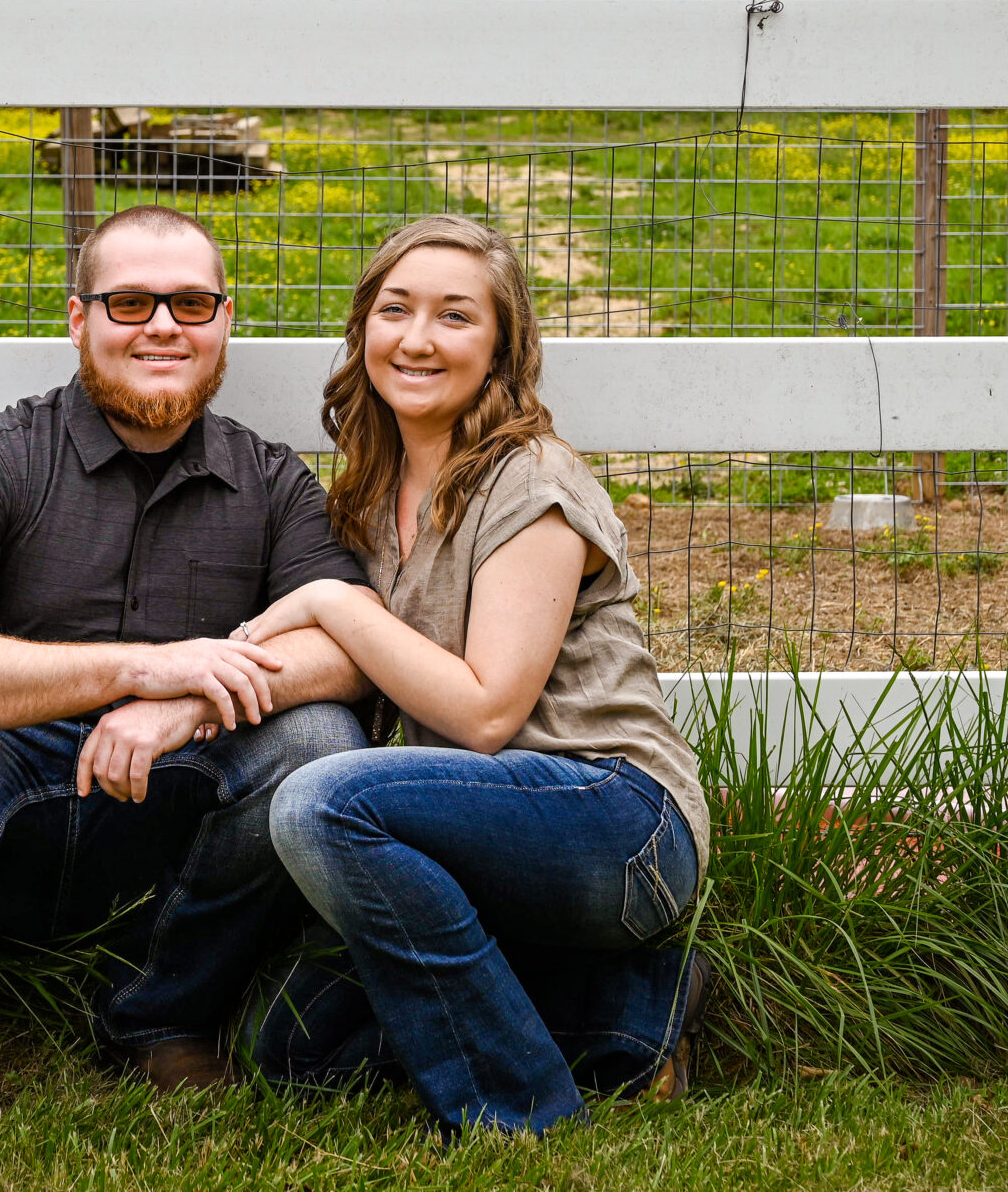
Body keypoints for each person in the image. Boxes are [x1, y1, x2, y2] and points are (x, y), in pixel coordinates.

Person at [0, 204, 374, 1118]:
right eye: (129, 302)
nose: (162, 325)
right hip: (1, 774)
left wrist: (179, 707)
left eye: (192, 303)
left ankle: (164, 1013)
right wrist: (137, 670)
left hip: (179, 792)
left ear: (225, 320)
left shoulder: (273, 481)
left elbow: (346, 649)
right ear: (80, 320)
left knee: (320, 740)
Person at [232, 214, 713, 1136]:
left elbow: (488, 712)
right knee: (295, 1049)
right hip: (479, 828)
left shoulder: (533, 480)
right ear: (363, 327)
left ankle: (521, 1112)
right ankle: (637, 1010)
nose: (416, 338)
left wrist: (339, 607)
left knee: (321, 803)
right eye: (395, 309)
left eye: (455, 316)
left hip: (616, 818)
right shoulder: (371, 490)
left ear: (500, 348)